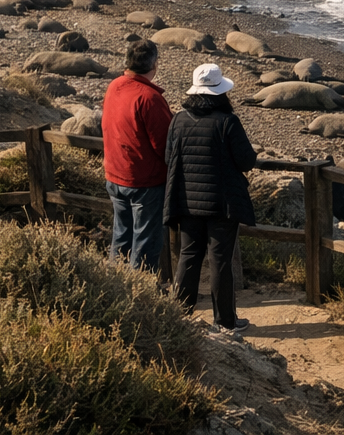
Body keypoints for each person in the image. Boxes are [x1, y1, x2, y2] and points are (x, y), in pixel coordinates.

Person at [164, 62, 257, 333]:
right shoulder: (227, 121)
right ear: (221, 92)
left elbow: (169, 158)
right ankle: (225, 321)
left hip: (186, 202)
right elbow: (247, 160)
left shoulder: (178, 120)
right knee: (220, 261)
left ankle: (178, 315)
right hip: (222, 204)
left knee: (188, 256)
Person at [101, 38, 172, 271]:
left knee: (121, 238)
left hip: (115, 175)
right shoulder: (150, 98)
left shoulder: (115, 86)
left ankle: (116, 287)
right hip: (144, 183)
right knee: (145, 243)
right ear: (155, 65)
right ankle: (141, 296)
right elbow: (165, 146)